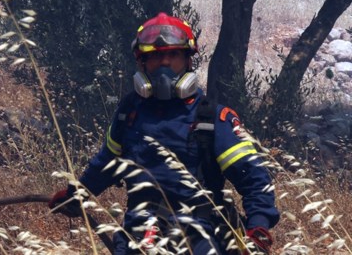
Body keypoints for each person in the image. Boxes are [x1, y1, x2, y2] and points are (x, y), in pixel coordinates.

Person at [49, 13, 279, 254]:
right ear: (142, 62)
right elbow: (105, 163)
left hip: (198, 237)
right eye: (156, 56)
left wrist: (258, 228)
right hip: (139, 234)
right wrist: (77, 195)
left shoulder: (212, 118)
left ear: (188, 61)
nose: (165, 64)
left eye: (174, 55)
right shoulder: (128, 113)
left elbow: (253, 177)